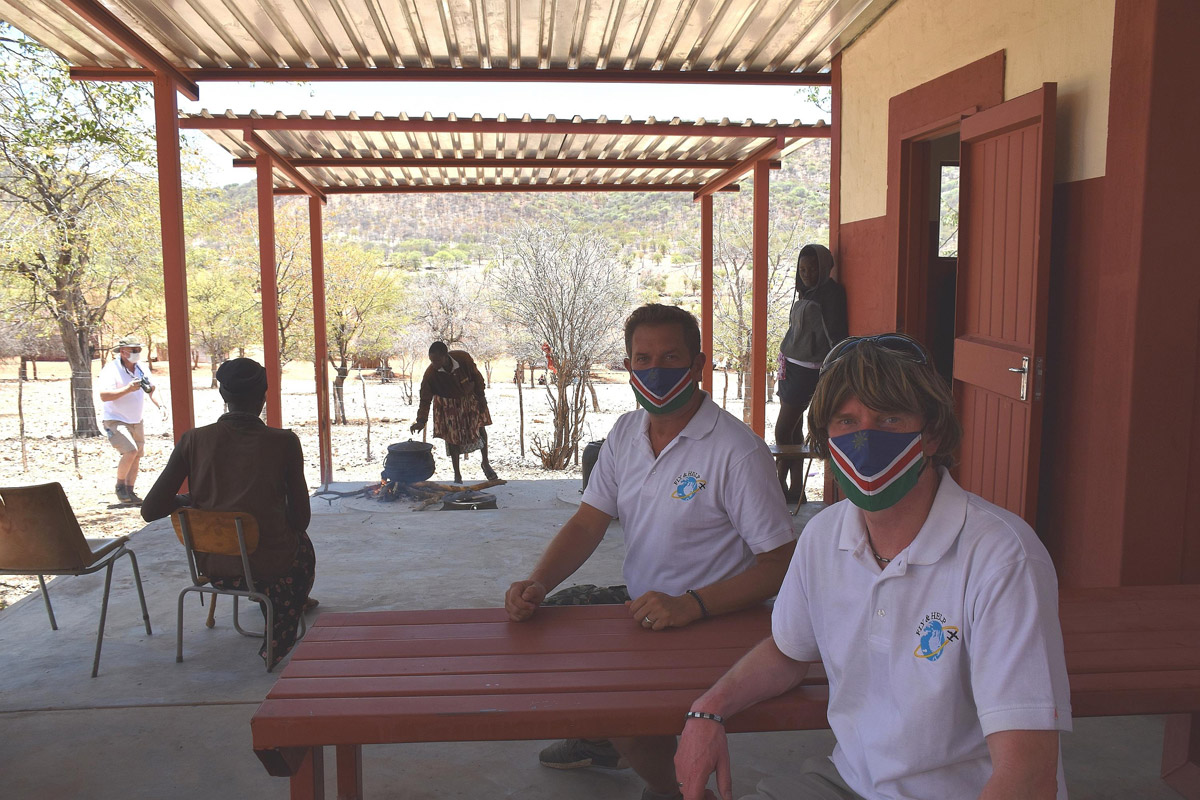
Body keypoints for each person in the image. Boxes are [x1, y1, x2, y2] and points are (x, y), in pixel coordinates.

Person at [675, 333, 1071, 800]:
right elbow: (788, 651)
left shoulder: (1001, 557)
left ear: (933, 435)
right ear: (825, 438)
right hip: (849, 783)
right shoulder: (824, 538)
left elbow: (1029, 773)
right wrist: (708, 710)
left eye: (889, 418)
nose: (866, 438)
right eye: (847, 420)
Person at [506, 304, 797, 800]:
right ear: (628, 367)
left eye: (670, 356)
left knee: (627, 718)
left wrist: (691, 605)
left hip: (716, 619)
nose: (655, 369)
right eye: (643, 358)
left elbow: (779, 565)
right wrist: (536, 583)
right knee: (558, 622)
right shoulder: (624, 435)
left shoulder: (736, 451)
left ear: (698, 364)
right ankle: (603, 742)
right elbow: (588, 521)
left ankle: (680, 790)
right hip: (646, 608)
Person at [141, 358, 316, 669]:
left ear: (223, 395)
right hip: (269, 564)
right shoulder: (284, 442)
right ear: (263, 395)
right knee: (302, 547)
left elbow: (150, 509)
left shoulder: (193, 440)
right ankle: (285, 605)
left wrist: (188, 499)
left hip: (213, 566)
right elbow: (301, 520)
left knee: (252, 542)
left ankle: (270, 597)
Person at [775, 244, 847, 501]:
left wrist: (833, 370)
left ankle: (777, 486)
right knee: (792, 432)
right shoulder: (806, 293)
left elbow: (835, 337)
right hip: (790, 367)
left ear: (826, 267)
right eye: (802, 269)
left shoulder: (830, 296)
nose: (806, 273)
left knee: (782, 431)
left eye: (813, 268)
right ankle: (796, 490)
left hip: (808, 372)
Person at [410, 341, 498, 484]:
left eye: (437, 360)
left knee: (480, 428)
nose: (434, 363)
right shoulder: (430, 374)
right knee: (452, 438)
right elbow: (425, 398)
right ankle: (457, 475)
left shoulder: (463, 359)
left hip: (470, 398)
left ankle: (485, 463)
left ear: (446, 356)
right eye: (432, 360)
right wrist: (421, 421)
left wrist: (481, 398)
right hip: (448, 405)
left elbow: (477, 378)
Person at [98, 336, 165, 505]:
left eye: (138, 350)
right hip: (115, 419)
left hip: (136, 419)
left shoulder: (141, 369)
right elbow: (104, 396)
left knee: (136, 456)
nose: (137, 353)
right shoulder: (110, 369)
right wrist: (127, 389)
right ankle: (120, 486)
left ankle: (129, 491)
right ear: (123, 351)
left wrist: (161, 406)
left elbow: (151, 389)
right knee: (130, 450)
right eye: (134, 350)